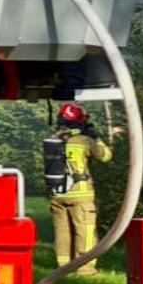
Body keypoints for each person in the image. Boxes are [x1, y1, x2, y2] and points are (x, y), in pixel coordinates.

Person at [46, 102, 112, 275]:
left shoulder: (53, 139)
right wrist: (96, 137)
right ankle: (85, 269)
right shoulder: (84, 140)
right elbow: (105, 156)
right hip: (80, 193)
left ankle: (63, 266)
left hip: (57, 194)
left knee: (62, 231)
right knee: (85, 231)